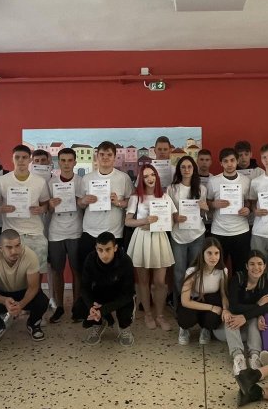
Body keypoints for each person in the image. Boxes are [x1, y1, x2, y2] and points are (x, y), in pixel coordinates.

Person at [76, 141, 134, 319]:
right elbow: (79, 203)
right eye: (102, 154)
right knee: (88, 275)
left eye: (109, 154)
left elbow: (131, 202)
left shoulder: (123, 178)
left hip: (114, 234)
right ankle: (93, 311)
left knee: (114, 277)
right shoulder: (87, 178)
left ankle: (112, 309)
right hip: (90, 232)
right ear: (97, 156)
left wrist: (119, 202)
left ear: (115, 157)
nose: (105, 158)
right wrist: (84, 201)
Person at [0, 144, 51, 303]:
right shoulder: (2, 181)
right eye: (17, 157)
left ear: (30, 160)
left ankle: (33, 305)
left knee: (37, 274)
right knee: (11, 277)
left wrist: (41, 209)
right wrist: (0, 209)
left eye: (24, 157)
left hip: (35, 234)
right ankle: (13, 306)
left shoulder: (39, 182)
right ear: (12, 159)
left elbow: (46, 205)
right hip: (12, 235)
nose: (21, 161)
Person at [0, 228, 51, 344]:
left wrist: (21, 304)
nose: (14, 251)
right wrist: (4, 300)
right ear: (1, 248)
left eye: (17, 246)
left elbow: (33, 287)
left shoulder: (30, 255)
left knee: (42, 301)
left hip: (23, 292)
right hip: (1, 294)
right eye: (9, 247)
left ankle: (33, 323)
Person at [125, 163, 177, 329]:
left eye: (152, 175)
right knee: (143, 281)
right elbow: (127, 221)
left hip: (159, 238)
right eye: (146, 176)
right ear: (141, 179)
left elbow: (172, 219)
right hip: (142, 238)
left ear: (157, 177)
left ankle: (160, 315)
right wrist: (144, 221)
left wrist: (163, 224)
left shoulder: (165, 196)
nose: (150, 178)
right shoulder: (136, 197)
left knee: (160, 281)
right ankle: (148, 314)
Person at [79, 232, 137, 347]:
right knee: (80, 306)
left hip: (120, 295)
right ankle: (99, 323)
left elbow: (127, 294)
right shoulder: (90, 259)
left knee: (126, 310)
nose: (104, 254)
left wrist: (103, 310)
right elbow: (84, 287)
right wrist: (91, 307)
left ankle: (124, 328)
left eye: (108, 249)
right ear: (96, 248)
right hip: (100, 293)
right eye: (100, 250)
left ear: (115, 248)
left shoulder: (125, 261)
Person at [46, 147, 83, 323]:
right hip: (56, 232)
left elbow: (86, 206)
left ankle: (77, 306)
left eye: (70, 160)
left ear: (75, 162)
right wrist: (50, 205)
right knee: (57, 270)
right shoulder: (51, 183)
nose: (66, 164)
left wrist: (79, 201)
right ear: (58, 162)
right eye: (63, 160)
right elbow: (46, 208)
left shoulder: (81, 181)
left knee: (77, 270)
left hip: (76, 230)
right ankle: (59, 307)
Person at [169, 155, 208, 314]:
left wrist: (205, 208)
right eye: (183, 167)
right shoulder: (172, 189)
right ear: (179, 169)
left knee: (194, 272)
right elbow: (168, 212)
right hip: (178, 236)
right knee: (179, 273)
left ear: (194, 169)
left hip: (197, 235)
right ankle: (181, 305)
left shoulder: (201, 189)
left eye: (189, 167)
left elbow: (204, 215)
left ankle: (194, 304)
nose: (186, 170)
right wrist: (174, 217)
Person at [221, 250, 268, 374]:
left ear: (264, 266)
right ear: (247, 266)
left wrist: (246, 316)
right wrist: (257, 306)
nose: (256, 267)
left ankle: (255, 356)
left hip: (249, 332)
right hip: (228, 332)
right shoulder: (237, 279)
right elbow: (233, 307)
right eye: (252, 264)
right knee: (230, 317)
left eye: (260, 264)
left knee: (254, 319)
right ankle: (238, 357)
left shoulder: (265, 282)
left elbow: (267, 307)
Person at [207, 147, 252, 275]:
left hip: (241, 231)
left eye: (232, 160)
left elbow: (249, 201)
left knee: (240, 271)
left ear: (237, 161)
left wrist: (248, 209)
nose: (229, 164)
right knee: (217, 271)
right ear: (221, 163)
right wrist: (213, 204)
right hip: (219, 231)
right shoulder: (213, 181)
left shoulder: (246, 181)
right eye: (225, 161)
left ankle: (237, 289)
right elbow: (207, 202)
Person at [176, 238, 227, 345]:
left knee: (214, 317)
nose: (213, 257)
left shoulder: (222, 271)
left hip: (210, 300)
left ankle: (206, 328)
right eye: (209, 253)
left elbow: (223, 294)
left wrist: (225, 310)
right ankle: (184, 329)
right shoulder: (192, 271)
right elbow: (185, 301)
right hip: (193, 302)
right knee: (186, 318)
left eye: (216, 253)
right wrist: (211, 308)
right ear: (202, 253)